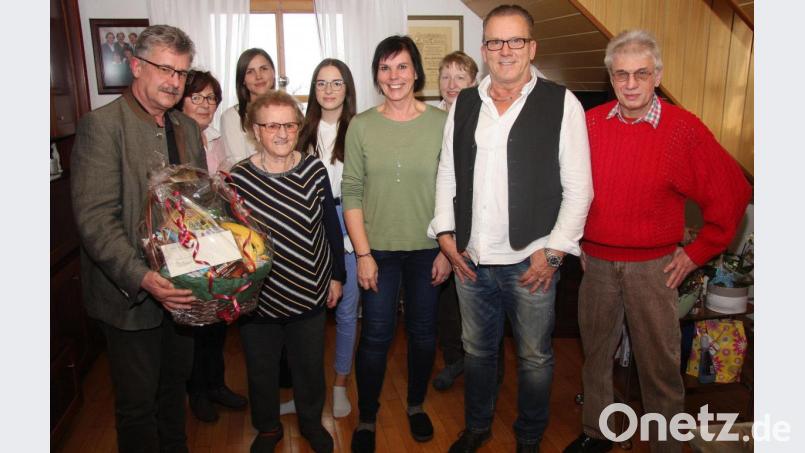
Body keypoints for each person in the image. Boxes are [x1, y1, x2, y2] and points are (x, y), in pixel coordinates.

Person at [564, 30, 751, 453]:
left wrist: (698, 251)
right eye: (621, 75)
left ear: (657, 76)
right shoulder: (587, 125)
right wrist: (574, 243)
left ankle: (667, 444)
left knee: (659, 366)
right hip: (596, 264)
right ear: (610, 78)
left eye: (641, 74)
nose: (630, 84)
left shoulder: (683, 130)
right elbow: (566, 190)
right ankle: (598, 433)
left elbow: (733, 191)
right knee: (595, 356)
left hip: (656, 270)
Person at [429, 5, 593, 452]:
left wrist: (554, 253)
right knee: (478, 353)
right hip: (471, 259)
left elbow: (580, 189)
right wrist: (445, 235)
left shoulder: (562, 103)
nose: (505, 51)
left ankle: (528, 437)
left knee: (535, 357)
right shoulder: (465, 103)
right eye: (496, 42)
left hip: (530, 261)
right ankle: (478, 427)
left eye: (515, 41)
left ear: (532, 46)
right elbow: (448, 172)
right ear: (484, 50)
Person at [71, 25, 203, 453]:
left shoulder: (186, 126)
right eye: (165, 69)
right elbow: (95, 221)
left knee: (174, 390)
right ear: (135, 65)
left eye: (181, 73)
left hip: (183, 293)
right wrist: (144, 278)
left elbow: (197, 206)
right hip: (131, 297)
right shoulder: (101, 125)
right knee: (136, 406)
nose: (174, 82)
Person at [343, 35, 450, 453]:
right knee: (376, 336)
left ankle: (415, 405)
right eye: (385, 68)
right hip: (379, 250)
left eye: (402, 66)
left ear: (417, 72)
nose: (394, 76)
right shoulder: (362, 125)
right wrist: (364, 255)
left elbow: (454, 190)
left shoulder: (443, 122)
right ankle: (367, 417)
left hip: (428, 249)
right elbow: (351, 190)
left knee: (424, 335)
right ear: (376, 75)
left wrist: (447, 248)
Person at [229, 90, 345, 453]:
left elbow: (330, 226)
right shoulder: (238, 177)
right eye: (272, 125)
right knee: (261, 369)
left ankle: (312, 422)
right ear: (255, 130)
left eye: (290, 125)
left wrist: (337, 276)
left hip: (309, 288)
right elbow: (233, 240)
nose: (282, 133)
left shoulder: (314, 169)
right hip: (258, 297)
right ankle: (267, 428)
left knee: (309, 366)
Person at [175, 70, 248, 422]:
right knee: (192, 320)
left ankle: (216, 384)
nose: (205, 104)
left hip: (220, 238)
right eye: (197, 97)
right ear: (182, 100)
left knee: (218, 315)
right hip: (185, 242)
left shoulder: (216, 138)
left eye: (211, 98)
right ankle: (197, 391)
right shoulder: (172, 137)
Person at [297, 58, 359, 418]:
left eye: (336, 83)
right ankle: (309, 392)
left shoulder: (361, 128)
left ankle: (339, 384)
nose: (329, 90)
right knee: (309, 315)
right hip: (310, 225)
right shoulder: (301, 129)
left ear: (347, 89)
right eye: (321, 83)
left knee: (348, 311)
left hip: (349, 220)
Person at [431, 50, 479, 392]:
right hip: (435, 222)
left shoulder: (480, 120)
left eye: (459, 77)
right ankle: (453, 360)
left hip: (469, 226)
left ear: (473, 82)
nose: (451, 84)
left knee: (471, 304)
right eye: (445, 76)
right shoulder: (431, 121)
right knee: (443, 304)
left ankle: (472, 364)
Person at [221, 48, 276, 165]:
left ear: (273, 72)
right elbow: (237, 164)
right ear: (243, 80)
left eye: (264, 69)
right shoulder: (231, 117)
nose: (258, 76)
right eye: (250, 71)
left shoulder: (289, 112)